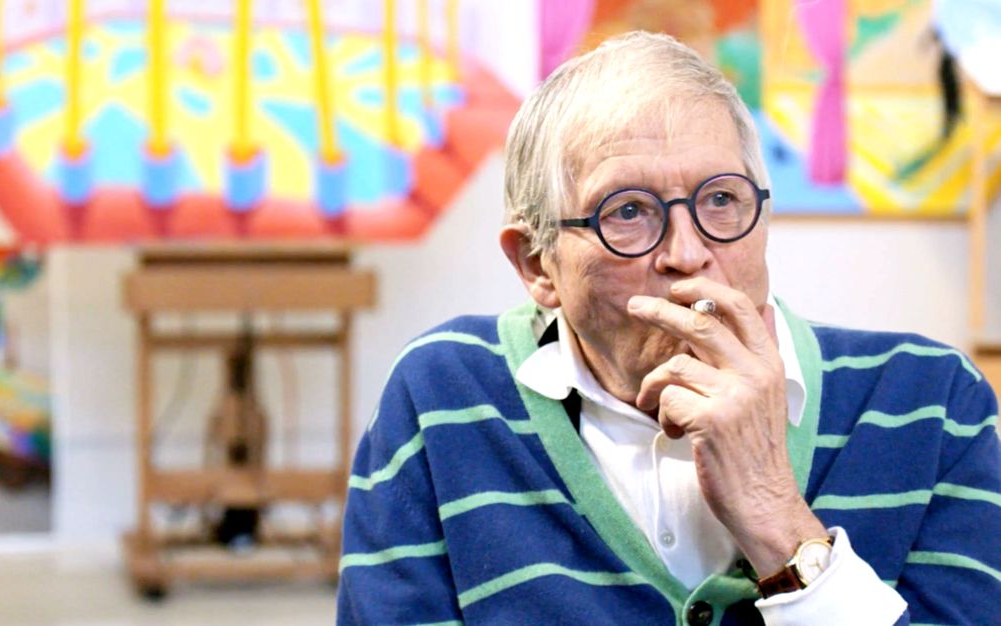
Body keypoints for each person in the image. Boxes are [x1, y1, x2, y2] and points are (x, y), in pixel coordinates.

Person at [337, 31, 1001, 625]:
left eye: (720, 199)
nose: (687, 252)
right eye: (628, 211)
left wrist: (777, 519)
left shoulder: (932, 403)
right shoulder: (446, 394)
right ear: (538, 264)